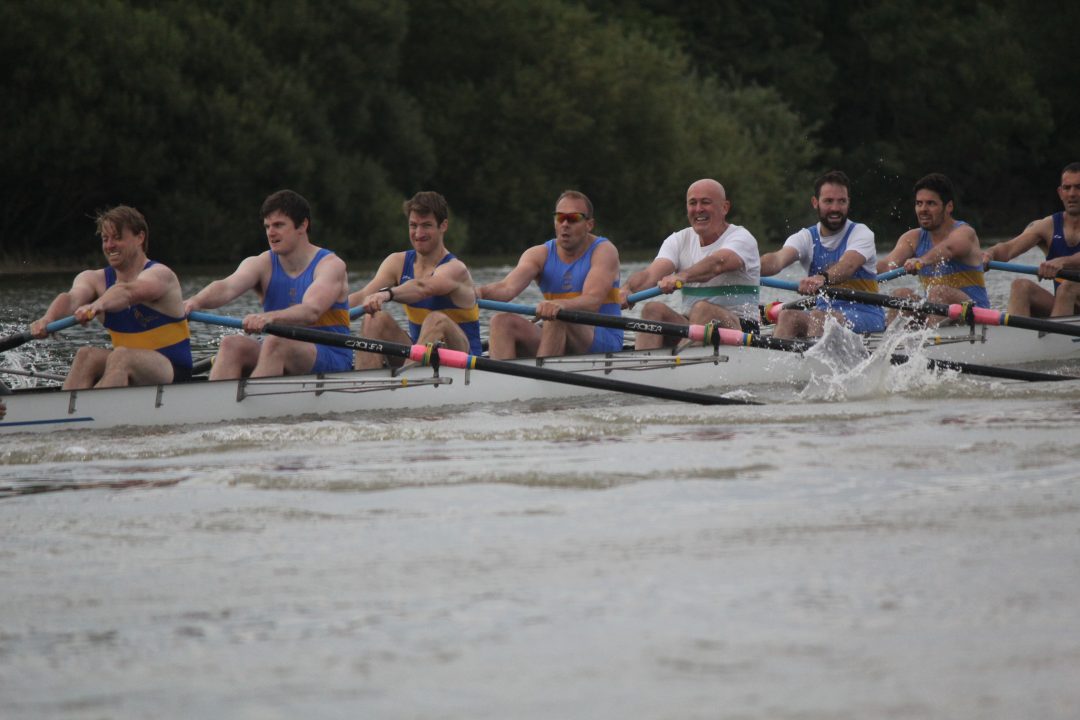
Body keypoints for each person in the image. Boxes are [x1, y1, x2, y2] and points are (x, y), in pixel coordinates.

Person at [183, 190, 352, 380]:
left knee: (275, 343)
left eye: (279, 225)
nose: (271, 233)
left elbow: (311, 311)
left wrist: (269, 317)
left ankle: (251, 405)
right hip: (279, 348)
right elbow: (226, 287)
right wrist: (194, 302)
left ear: (303, 225)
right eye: (267, 226)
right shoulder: (262, 264)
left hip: (332, 355)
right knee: (232, 344)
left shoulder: (330, 266)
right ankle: (219, 405)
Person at [29, 206, 192, 390]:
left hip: (172, 369)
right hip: (129, 361)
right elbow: (71, 299)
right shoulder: (93, 279)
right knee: (86, 355)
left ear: (140, 237)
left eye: (117, 238)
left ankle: (92, 413)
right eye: (105, 239)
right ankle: (64, 414)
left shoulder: (160, 275)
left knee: (121, 356)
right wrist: (48, 318)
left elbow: (127, 293)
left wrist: (97, 305)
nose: (109, 245)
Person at [477, 190, 623, 359]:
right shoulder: (539, 254)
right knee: (500, 322)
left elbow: (592, 300)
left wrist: (559, 304)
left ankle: (541, 379)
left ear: (589, 224)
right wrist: (478, 293)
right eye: (560, 217)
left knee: (558, 317)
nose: (565, 224)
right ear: (555, 222)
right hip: (557, 333)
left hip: (603, 340)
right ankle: (504, 381)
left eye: (573, 218)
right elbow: (506, 288)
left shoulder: (604, 251)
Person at [618, 178, 760, 350]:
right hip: (692, 326)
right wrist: (628, 289)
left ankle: (680, 363)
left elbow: (716, 264)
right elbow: (650, 274)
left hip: (741, 329)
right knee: (652, 309)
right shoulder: (678, 240)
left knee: (702, 309)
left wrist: (681, 276)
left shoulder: (741, 238)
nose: (698, 209)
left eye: (706, 202)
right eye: (693, 203)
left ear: (725, 208)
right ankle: (643, 368)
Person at [348, 191, 482, 369]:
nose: (418, 233)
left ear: (443, 226)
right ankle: (363, 385)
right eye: (413, 225)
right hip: (419, 352)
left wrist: (387, 294)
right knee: (375, 319)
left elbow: (423, 288)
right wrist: (316, 313)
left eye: (426, 225)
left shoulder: (455, 269)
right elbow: (362, 296)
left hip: (462, 356)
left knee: (436, 319)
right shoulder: (397, 262)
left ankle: (406, 381)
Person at [760, 171, 885, 338]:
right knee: (788, 314)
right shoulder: (805, 237)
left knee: (820, 318)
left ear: (849, 203)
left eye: (841, 201)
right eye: (828, 201)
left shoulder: (861, 233)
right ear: (815, 202)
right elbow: (777, 259)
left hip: (867, 315)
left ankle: (813, 361)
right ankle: (774, 362)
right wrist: (749, 267)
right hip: (824, 315)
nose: (835, 208)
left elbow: (847, 265)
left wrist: (821, 278)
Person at [876, 173, 990, 323]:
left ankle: (929, 339)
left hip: (976, 316)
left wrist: (921, 261)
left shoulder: (965, 233)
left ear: (949, 207)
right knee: (901, 294)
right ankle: (894, 344)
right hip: (938, 313)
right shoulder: (912, 238)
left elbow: (949, 248)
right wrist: (849, 274)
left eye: (931, 203)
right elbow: (887, 265)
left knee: (939, 292)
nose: (923, 209)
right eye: (919, 203)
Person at [981, 162, 1080, 316]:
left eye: (1078, 187)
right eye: (1067, 188)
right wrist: (990, 254)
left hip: (1067, 294)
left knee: (1068, 286)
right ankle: (1016, 338)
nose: (1072, 194)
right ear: (1060, 193)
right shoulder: (1048, 226)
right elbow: (1008, 249)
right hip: (1066, 308)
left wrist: (1063, 261)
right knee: (1021, 287)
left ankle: (1053, 336)